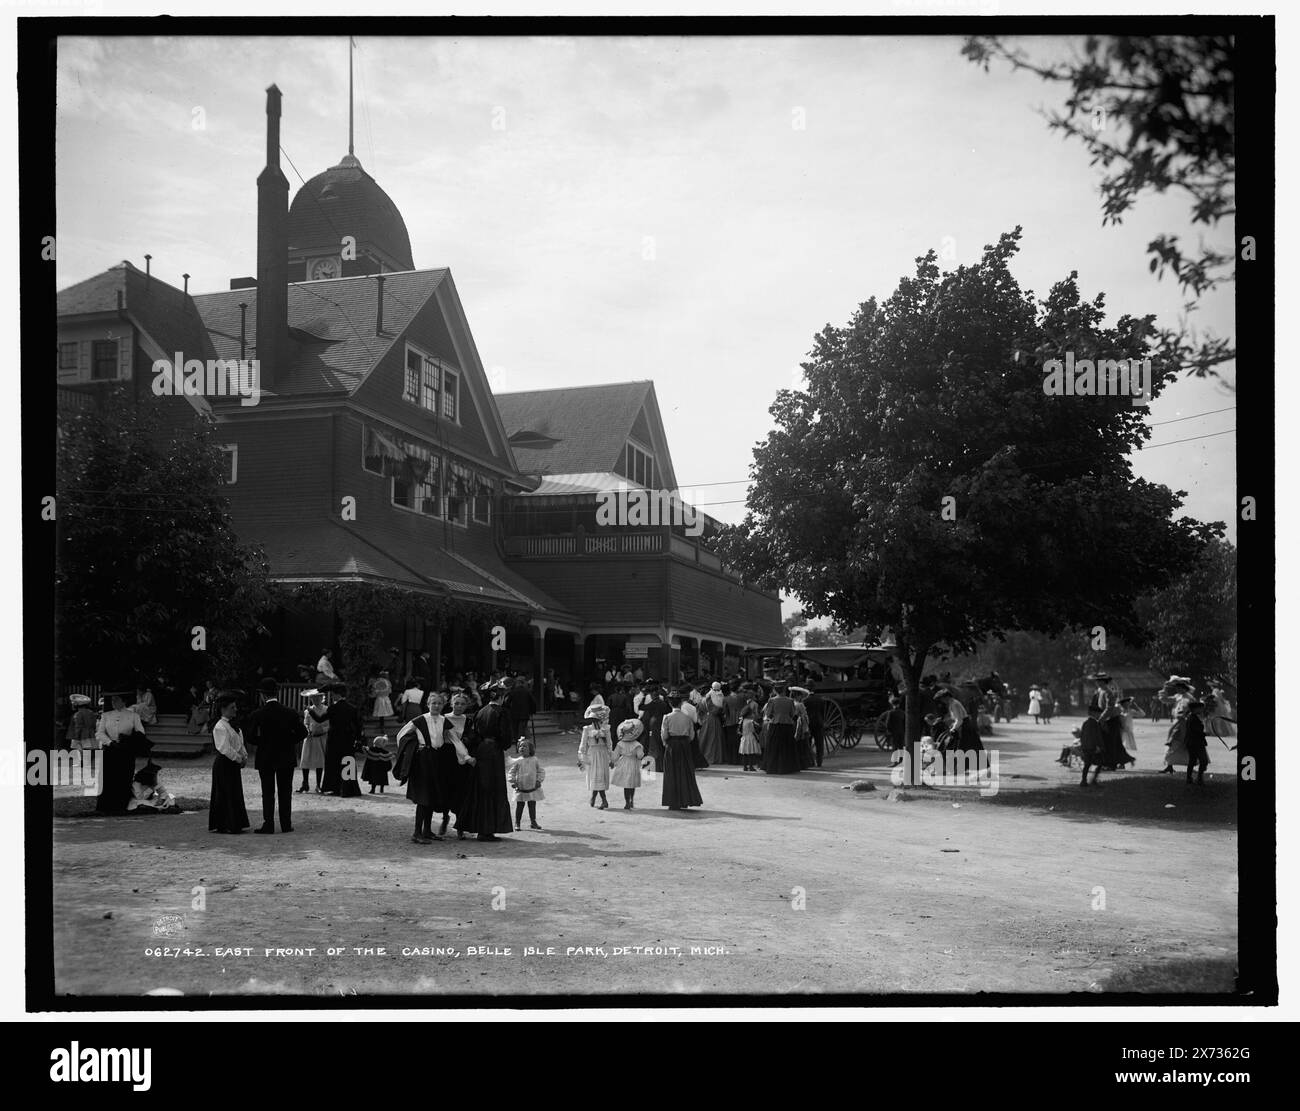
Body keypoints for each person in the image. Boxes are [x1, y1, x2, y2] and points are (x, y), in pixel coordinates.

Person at [395, 692, 469, 844]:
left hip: (437, 759)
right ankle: (416, 833)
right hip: (423, 760)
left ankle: (427, 831)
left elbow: (455, 740)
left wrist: (466, 757)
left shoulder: (444, 721)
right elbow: (401, 735)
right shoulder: (420, 720)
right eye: (433, 703)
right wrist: (412, 750)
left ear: (443, 705)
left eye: (439, 703)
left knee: (432, 795)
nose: (436, 706)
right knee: (423, 796)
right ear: (428, 704)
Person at [244, 677, 307, 834]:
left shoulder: (258, 714)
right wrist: (287, 741)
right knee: (285, 791)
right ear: (276, 693)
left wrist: (264, 742)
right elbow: (303, 732)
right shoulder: (290, 713)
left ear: (262, 695)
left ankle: (269, 824)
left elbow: (250, 737)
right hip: (285, 756)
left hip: (265, 756)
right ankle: (286, 824)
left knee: (268, 792)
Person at [457, 685, 514, 841]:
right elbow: (506, 738)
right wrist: (502, 745)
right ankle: (486, 830)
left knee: (480, 788)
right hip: (494, 751)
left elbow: (473, 734)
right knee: (493, 788)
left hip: (481, 750)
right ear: (501, 698)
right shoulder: (502, 713)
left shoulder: (480, 712)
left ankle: (478, 826)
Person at [95, 692, 150, 813]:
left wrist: (127, 740)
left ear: (124, 701)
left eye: (116, 700)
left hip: (126, 751)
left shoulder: (133, 716)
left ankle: (122, 805)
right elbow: (100, 733)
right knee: (108, 777)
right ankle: (106, 806)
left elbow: (141, 733)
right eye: (112, 700)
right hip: (110, 750)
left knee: (124, 777)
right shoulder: (106, 715)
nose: (113, 702)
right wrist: (110, 742)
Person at [312, 684, 363, 797]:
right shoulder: (352, 708)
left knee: (333, 762)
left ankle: (334, 787)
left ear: (337, 694)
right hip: (348, 738)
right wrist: (358, 739)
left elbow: (320, 719)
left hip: (334, 738)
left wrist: (311, 711)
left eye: (333, 694)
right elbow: (358, 726)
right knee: (347, 761)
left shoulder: (333, 708)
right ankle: (348, 789)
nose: (332, 696)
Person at [209, 695, 250, 833]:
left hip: (233, 762)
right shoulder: (220, 726)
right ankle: (225, 824)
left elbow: (240, 744)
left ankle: (235, 822)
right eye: (232, 708)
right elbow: (224, 748)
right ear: (223, 709)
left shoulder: (234, 726)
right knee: (225, 792)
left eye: (235, 707)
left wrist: (244, 756)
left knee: (234, 791)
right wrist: (239, 759)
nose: (235, 710)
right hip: (224, 763)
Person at [661, 694, 704, 810]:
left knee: (672, 772)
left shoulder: (667, 717)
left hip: (672, 745)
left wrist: (667, 743)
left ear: (670, 703)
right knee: (685, 772)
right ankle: (685, 800)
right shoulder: (687, 718)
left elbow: (664, 735)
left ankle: (673, 802)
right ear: (680, 703)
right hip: (685, 745)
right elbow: (691, 735)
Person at [578, 701, 613, 809]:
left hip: (602, 754)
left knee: (600, 776)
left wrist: (611, 758)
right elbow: (583, 744)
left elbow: (609, 743)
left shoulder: (606, 729)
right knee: (595, 776)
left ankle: (600, 799)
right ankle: (599, 798)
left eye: (596, 719)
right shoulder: (587, 729)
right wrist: (581, 757)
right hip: (592, 754)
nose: (593, 721)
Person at [761, 683, 802, 774]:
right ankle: (788, 767)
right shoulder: (790, 700)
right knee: (787, 746)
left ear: (775, 691)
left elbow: (768, 714)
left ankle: (773, 767)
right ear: (784, 690)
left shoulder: (772, 700)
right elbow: (792, 713)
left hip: (775, 724)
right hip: (787, 725)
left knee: (773, 746)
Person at [508, 738, 546, 830]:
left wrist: (538, 781)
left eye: (525, 746)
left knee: (532, 804)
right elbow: (511, 772)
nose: (522, 748)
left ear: (530, 749)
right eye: (520, 746)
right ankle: (517, 822)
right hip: (521, 787)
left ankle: (533, 821)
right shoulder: (518, 761)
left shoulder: (535, 760)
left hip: (532, 787)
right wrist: (513, 781)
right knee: (520, 805)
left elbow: (541, 771)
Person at [610, 718, 647, 808]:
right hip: (633, 764)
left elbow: (615, 756)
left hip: (623, 763)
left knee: (626, 785)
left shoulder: (620, 744)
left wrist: (612, 762)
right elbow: (640, 756)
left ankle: (627, 802)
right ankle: (631, 800)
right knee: (632, 784)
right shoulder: (637, 745)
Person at [298, 689, 328, 793]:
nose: (315, 700)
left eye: (317, 698)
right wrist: (307, 729)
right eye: (313, 698)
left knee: (319, 761)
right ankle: (305, 783)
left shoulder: (326, 709)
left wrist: (322, 730)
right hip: (310, 737)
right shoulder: (308, 710)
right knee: (305, 760)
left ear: (321, 698)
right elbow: (306, 722)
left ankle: (318, 785)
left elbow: (328, 724)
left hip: (321, 738)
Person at [639, 683, 671, 772]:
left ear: (653, 696)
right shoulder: (663, 703)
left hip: (654, 724)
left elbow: (641, 707)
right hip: (663, 722)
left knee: (653, 745)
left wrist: (644, 698)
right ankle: (663, 766)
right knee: (661, 744)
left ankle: (653, 767)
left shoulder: (653, 703)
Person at [698, 681, 727, 765]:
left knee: (705, 738)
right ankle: (713, 757)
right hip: (713, 719)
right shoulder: (713, 698)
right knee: (714, 739)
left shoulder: (703, 698)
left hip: (706, 719)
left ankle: (703, 756)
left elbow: (699, 710)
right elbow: (716, 711)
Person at [1078, 702, 1106, 787]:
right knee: (1101, 762)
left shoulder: (1085, 723)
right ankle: (1093, 780)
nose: (1099, 715)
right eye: (1099, 714)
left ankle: (1083, 781)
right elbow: (1097, 736)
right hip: (1093, 747)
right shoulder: (1095, 723)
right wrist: (1099, 746)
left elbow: (1082, 735)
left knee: (1087, 764)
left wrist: (1083, 745)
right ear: (1094, 713)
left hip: (1086, 747)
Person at [804, 683, 828, 767]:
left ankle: (810, 761)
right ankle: (819, 761)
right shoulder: (820, 700)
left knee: (808, 742)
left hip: (809, 723)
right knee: (819, 743)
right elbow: (822, 712)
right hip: (818, 723)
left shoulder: (805, 700)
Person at [723, 680, 746, 765]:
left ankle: (731, 760)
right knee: (739, 740)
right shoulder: (742, 697)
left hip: (729, 722)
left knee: (730, 741)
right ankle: (740, 759)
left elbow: (725, 712)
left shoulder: (726, 698)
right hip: (740, 720)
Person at [738, 705, 762, 771]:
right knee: (751, 753)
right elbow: (754, 729)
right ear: (749, 714)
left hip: (744, 738)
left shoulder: (742, 721)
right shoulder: (751, 721)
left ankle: (745, 767)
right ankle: (751, 766)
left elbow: (739, 731)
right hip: (751, 738)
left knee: (745, 753)